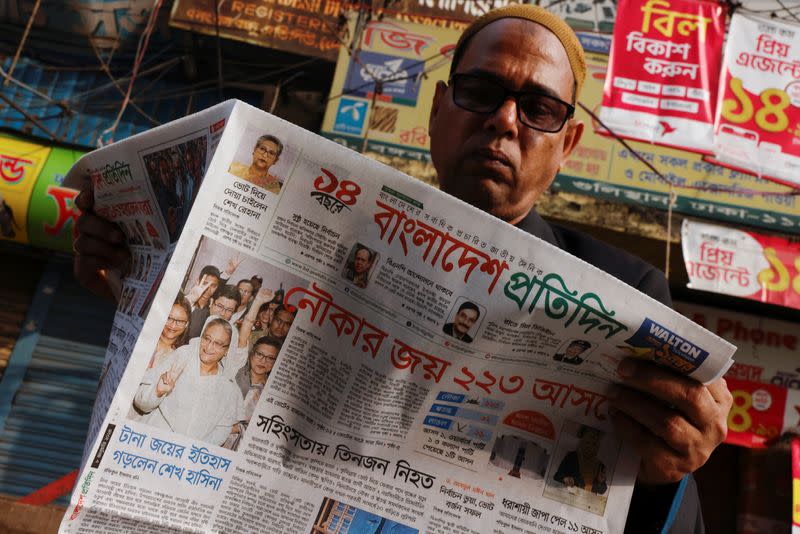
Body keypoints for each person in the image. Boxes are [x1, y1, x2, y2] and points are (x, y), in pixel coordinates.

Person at [72, 5, 731, 531]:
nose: (505, 121)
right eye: (482, 91)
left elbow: (645, 506)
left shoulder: (628, 294)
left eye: (540, 108)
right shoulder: (338, 223)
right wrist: (135, 288)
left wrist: (667, 476)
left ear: (568, 144)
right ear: (439, 110)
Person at [133, 318, 243, 445]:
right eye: (207, 338)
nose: (209, 347)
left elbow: (220, 432)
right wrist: (157, 392)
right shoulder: (183, 356)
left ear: (227, 350)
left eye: (218, 343)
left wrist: (190, 449)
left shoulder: (227, 388)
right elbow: (140, 402)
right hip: (150, 439)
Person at [223, 337, 281, 450]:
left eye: (270, 358)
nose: (263, 361)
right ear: (252, 354)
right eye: (259, 354)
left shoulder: (271, 394)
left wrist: (235, 428)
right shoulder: (235, 373)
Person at [554, 425, 608, 495]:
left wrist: (600, 482)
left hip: (588, 503)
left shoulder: (600, 466)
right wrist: (565, 479)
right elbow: (557, 476)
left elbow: (602, 490)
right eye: (587, 442)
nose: (590, 447)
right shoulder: (572, 457)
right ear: (582, 442)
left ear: (598, 446)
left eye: (594, 444)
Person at [147, 294, 192, 370]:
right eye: (169, 318)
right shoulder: (147, 338)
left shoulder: (182, 355)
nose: (173, 325)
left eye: (180, 321)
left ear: (187, 324)